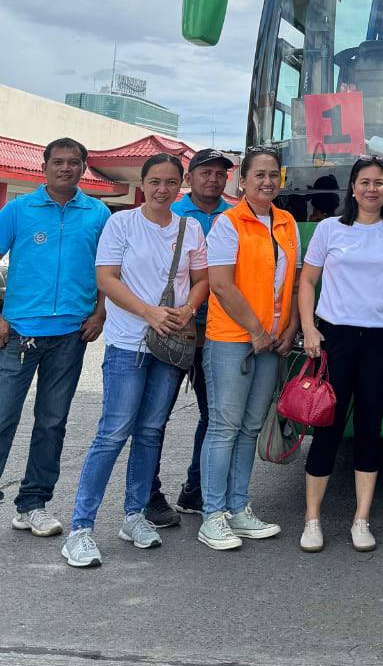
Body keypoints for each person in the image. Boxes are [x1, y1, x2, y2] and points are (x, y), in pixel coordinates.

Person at [62, 154, 209, 568]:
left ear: (181, 185)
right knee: (113, 433)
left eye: (171, 182)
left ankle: (134, 516)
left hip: (171, 345)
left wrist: (187, 309)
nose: (163, 189)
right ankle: (80, 529)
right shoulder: (122, 223)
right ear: (143, 183)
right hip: (128, 343)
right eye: (155, 181)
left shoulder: (190, 227)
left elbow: (201, 280)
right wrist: (149, 312)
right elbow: (106, 278)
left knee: (149, 431)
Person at [298, 156, 383, 553]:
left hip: (380, 342)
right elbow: (307, 281)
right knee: (328, 428)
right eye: (364, 182)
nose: (372, 189)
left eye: (379, 183)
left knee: (370, 428)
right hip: (333, 339)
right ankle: (312, 520)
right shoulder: (328, 229)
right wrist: (308, 328)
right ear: (352, 188)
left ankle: (361, 520)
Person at [0, 138, 111, 537]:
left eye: (74, 162)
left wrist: (100, 312)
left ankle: (32, 504)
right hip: (18, 333)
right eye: (58, 162)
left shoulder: (97, 213)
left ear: (84, 168)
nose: (66, 168)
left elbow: (107, 268)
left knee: (51, 422)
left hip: (70, 335)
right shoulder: (18, 210)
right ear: (44, 167)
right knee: (2, 416)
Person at [197, 146, 301, 550]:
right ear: (244, 181)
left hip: (272, 341)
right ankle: (212, 515)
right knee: (224, 427)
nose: (267, 181)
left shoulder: (286, 222)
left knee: (250, 427)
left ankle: (239, 508)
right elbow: (221, 284)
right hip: (233, 339)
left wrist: (289, 326)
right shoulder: (228, 223)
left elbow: (290, 282)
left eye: (273, 174)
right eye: (259, 175)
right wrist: (257, 331)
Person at [145, 148, 233, 527]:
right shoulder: (171, 214)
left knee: (214, 417)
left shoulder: (234, 217)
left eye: (220, 173)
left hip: (219, 332)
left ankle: (196, 489)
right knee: (154, 418)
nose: (213, 179)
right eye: (205, 172)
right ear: (190, 177)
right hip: (172, 332)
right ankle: (147, 494)